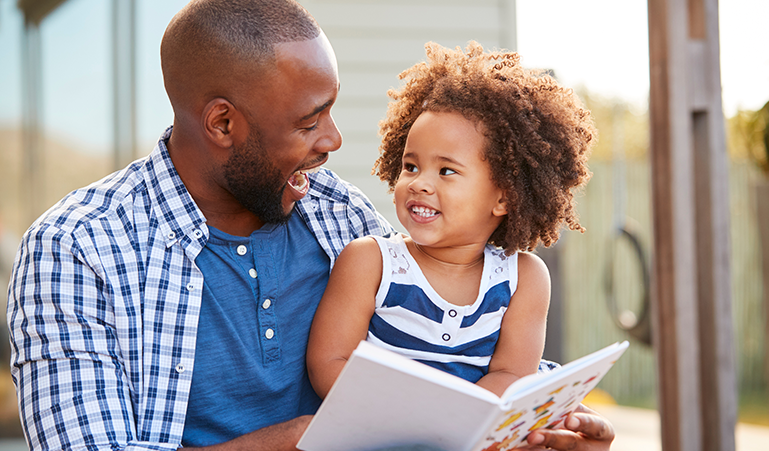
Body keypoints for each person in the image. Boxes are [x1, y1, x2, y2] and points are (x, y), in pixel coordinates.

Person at [6, 1, 614, 450]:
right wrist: (293, 441)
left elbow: (452, 341)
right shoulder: (77, 251)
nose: (333, 140)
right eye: (308, 121)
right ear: (223, 124)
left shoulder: (334, 213)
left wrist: (553, 419)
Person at [307, 41, 593, 401]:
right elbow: (330, 362)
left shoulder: (524, 279)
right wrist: (406, 416)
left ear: (504, 197)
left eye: (446, 171)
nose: (419, 183)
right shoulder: (371, 262)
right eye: (410, 166)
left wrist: (454, 423)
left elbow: (512, 374)